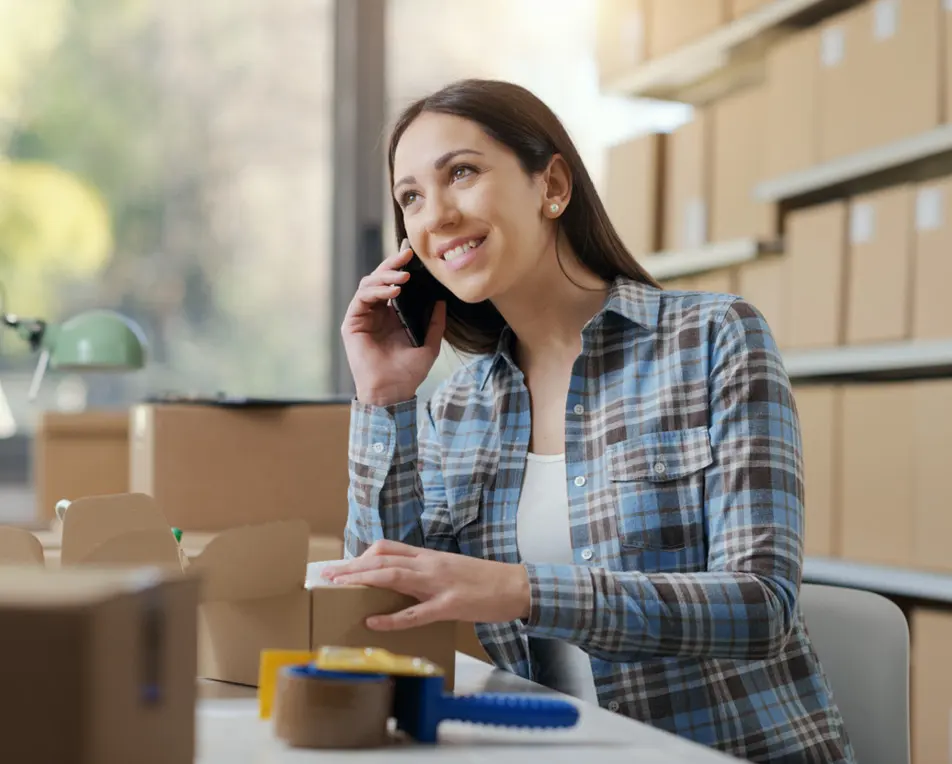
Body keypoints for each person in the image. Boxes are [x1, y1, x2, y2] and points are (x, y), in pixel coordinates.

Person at [327, 78, 855, 763]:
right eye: (411, 198)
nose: (436, 216)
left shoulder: (714, 338)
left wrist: (517, 589)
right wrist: (383, 398)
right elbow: (379, 606)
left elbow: (761, 605)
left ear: (552, 186)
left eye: (461, 172)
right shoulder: (455, 409)